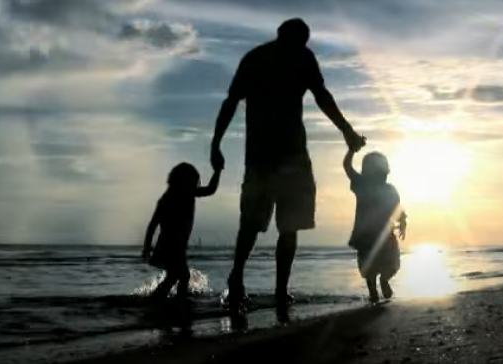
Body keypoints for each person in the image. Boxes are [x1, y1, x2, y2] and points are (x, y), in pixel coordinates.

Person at [210, 18, 366, 310]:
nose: (295, 47)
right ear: (290, 37)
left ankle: (262, 285)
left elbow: (320, 96)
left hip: (272, 155)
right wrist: (346, 131)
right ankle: (253, 284)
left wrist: (216, 143)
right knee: (269, 225)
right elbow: (232, 101)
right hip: (279, 155)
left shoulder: (261, 57)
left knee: (269, 225)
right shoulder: (286, 57)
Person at [142, 162, 222, 300]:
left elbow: (210, 189)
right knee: (182, 276)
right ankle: (174, 300)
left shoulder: (188, 193)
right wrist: (147, 247)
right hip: (169, 245)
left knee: (175, 277)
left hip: (176, 246)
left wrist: (217, 172)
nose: (194, 183)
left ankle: (164, 300)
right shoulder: (169, 198)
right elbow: (153, 225)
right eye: (190, 179)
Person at [343, 149, 407, 304]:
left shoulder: (382, 188)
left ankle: (382, 282)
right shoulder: (363, 185)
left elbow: (397, 209)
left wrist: (403, 221)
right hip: (371, 235)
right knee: (375, 266)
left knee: (385, 264)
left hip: (376, 235)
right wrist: (351, 151)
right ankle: (375, 288)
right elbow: (348, 167)